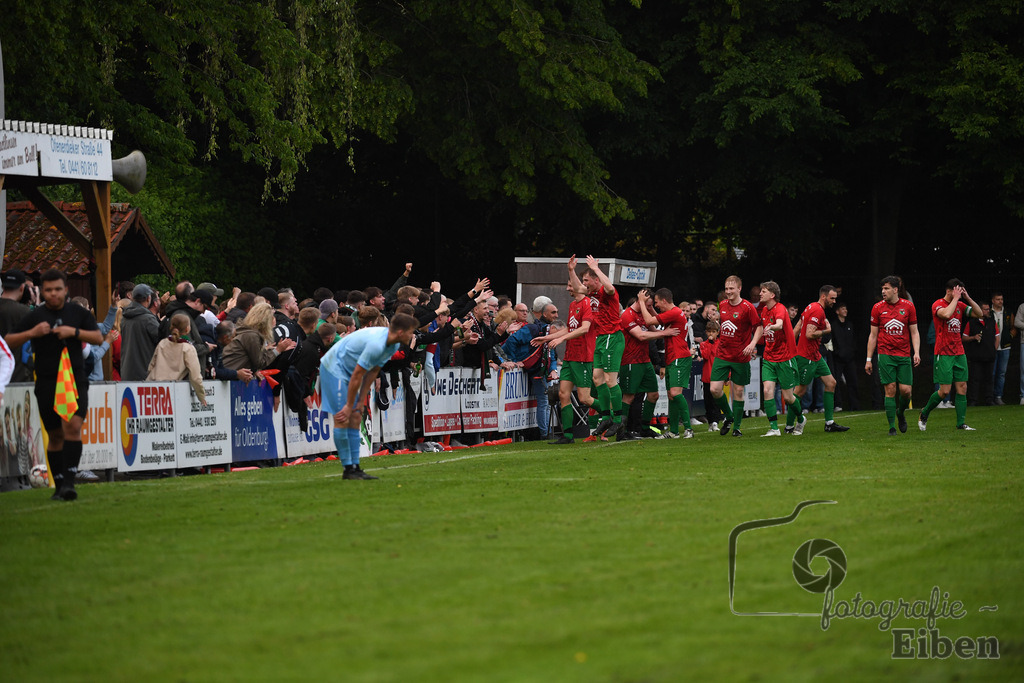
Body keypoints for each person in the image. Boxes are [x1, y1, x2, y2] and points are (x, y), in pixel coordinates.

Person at [5, 269, 102, 501]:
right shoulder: (36, 315)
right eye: (48, 290)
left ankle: (69, 483)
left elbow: (98, 338)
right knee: (55, 434)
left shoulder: (77, 313)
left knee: (73, 427)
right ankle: (59, 485)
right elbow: (8, 340)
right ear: (42, 291)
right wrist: (32, 333)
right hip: (47, 380)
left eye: (57, 289)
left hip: (75, 379)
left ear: (66, 290)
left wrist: (74, 332)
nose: (53, 294)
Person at [319, 313, 418, 479]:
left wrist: (360, 401)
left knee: (356, 417)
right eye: (410, 332)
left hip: (347, 371)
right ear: (401, 332)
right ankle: (348, 468)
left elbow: (373, 371)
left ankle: (355, 467)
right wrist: (351, 404)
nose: (412, 336)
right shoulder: (377, 344)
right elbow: (358, 374)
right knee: (343, 418)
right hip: (333, 369)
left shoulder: (392, 344)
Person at [918, 279, 984, 431]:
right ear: (949, 291)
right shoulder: (938, 304)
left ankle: (961, 424)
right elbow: (947, 315)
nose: (959, 295)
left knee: (962, 387)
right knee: (944, 391)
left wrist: (967, 298)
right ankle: (925, 412)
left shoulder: (960, 305)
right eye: (957, 291)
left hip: (959, 352)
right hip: (943, 352)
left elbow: (979, 313)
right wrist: (955, 298)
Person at [571, 255, 625, 438]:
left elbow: (609, 287)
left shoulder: (605, 291)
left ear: (595, 279)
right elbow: (577, 287)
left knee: (610, 381)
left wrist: (596, 268)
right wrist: (571, 270)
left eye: (587, 280)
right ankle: (606, 416)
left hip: (612, 337)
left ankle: (618, 420)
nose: (584, 284)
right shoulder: (591, 293)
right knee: (597, 378)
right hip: (602, 338)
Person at [542, 277, 597, 444]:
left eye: (569, 285)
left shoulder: (587, 304)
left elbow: (584, 329)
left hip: (582, 357)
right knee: (563, 394)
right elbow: (569, 328)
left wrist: (562, 339)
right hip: (570, 356)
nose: (567, 289)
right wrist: (546, 338)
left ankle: (615, 416)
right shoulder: (573, 305)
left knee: (585, 398)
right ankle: (568, 436)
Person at [865, 276, 920, 436]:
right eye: (882, 288)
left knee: (906, 392)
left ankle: (900, 413)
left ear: (896, 290)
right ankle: (891, 428)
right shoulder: (877, 308)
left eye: (887, 288)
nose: (883, 291)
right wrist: (869, 359)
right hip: (885, 354)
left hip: (904, 355)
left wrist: (916, 352)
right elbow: (873, 336)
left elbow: (914, 332)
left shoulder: (908, 307)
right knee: (890, 390)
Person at [709, 275, 762, 437]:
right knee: (715, 389)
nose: (728, 292)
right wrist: (716, 321)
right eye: (726, 289)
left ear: (739, 289)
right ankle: (729, 416)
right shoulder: (723, 304)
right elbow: (725, 324)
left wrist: (752, 345)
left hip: (741, 357)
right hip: (723, 354)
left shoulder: (747, 307)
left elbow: (758, 327)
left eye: (731, 289)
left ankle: (737, 427)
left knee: (738, 391)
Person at [793, 285, 849, 433]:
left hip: (815, 355)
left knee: (831, 383)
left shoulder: (810, 306)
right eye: (832, 298)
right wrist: (827, 330)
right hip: (807, 355)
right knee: (799, 391)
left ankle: (829, 423)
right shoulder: (818, 310)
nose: (834, 302)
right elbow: (809, 334)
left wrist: (791, 346)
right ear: (824, 296)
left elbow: (799, 326)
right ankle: (789, 426)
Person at [637, 289, 691, 438]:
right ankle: (674, 431)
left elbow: (649, 321)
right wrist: (651, 309)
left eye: (657, 303)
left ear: (664, 301)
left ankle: (688, 428)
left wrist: (641, 302)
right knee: (671, 395)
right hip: (672, 357)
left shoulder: (675, 312)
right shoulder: (674, 313)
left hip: (680, 357)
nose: (656, 305)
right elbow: (659, 318)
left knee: (675, 393)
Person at [756, 281, 800, 436]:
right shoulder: (763, 311)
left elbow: (780, 324)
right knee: (767, 390)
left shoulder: (780, 308)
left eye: (764, 291)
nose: (760, 293)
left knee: (788, 398)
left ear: (772, 295)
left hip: (784, 357)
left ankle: (800, 419)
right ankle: (774, 428)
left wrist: (772, 326)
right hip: (769, 357)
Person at [146, 313, 208, 406]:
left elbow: (151, 366)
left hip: (152, 387)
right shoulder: (188, 348)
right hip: (170, 391)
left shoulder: (162, 343)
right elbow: (195, 376)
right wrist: (201, 396)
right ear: (188, 329)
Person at [963, 302, 995, 407]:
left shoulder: (992, 321)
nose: (988, 311)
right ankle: (973, 400)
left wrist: (993, 349)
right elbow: (964, 338)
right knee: (974, 379)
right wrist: (973, 337)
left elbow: (997, 336)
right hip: (976, 356)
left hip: (989, 355)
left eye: (988, 309)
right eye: (985, 309)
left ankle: (989, 400)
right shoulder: (971, 322)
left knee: (989, 379)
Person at [831, 302, 860, 411]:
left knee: (853, 381)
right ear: (837, 311)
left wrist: (852, 352)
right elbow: (832, 341)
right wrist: (837, 353)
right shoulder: (833, 325)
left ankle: (855, 405)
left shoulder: (850, 325)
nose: (845, 311)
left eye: (846, 309)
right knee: (836, 382)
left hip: (850, 358)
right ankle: (838, 405)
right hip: (838, 359)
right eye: (843, 309)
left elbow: (854, 340)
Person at [698, 320, 721, 431]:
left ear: (717, 332)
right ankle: (711, 422)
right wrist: (710, 344)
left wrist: (727, 375)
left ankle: (716, 421)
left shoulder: (721, 344)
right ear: (706, 333)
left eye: (713, 331)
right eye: (709, 332)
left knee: (716, 400)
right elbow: (705, 356)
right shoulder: (703, 345)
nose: (711, 334)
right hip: (707, 376)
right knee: (708, 401)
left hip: (717, 376)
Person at [990, 292, 1012, 405]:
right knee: (992, 373)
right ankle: (990, 396)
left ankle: (998, 396)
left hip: (1005, 347)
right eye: (998, 299)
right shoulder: (988, 312)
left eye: (1001, 299)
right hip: (992, 347)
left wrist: (1010, 336)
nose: (1000, 301)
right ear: (993, 300)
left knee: (1001, 373)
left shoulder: (1008, 312)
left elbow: (1013, 327)